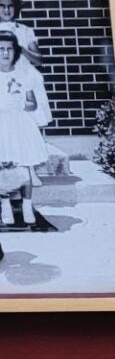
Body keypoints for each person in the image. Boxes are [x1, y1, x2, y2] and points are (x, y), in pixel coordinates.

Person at [0, 32, 51, 226]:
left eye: (9, 49)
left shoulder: (23, 75)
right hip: (1, 125)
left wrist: (20, 100)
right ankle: (6, 207)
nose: (5, 53)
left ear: (15, 52)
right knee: (3, 167)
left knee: (24, 166)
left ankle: (27, 206)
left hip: (19, 124)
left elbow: (32, 103)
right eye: (1, 49)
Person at [0, 0, 42, 67]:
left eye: (10, 5)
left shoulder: (25, 31)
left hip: (22, 77)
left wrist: (21, 49)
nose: (6, 10)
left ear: (16, 6)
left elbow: (38, 61)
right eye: (2, 6)